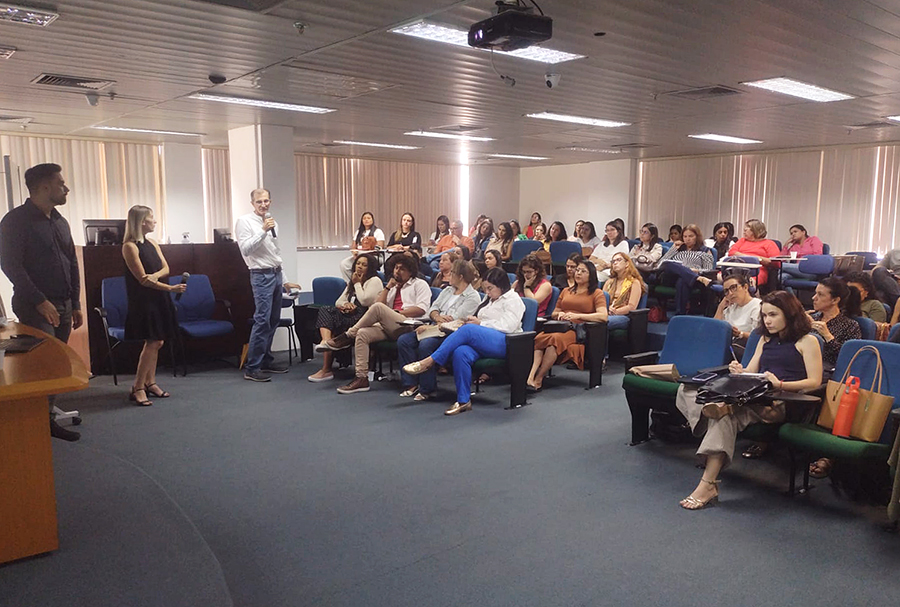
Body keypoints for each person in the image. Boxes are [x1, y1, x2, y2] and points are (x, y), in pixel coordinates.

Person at [675, 290, 823, 510]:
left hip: (781, 401)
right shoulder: (765, 338)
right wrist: (739, 370)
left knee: (724, 415)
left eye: (773, 315)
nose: (767, 320)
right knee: (686, 389)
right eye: (764, 315)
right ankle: (716, 413)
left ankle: (707, 484)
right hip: (753, 396)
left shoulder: (807, 341)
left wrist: (780, 384)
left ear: (789, 313)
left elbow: (814, 381)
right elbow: (751, 371)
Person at [0, 163, 82, 441]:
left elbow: (72, 263)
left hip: (64, 304)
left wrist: (76, 302)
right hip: (35, 307)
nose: (66, 188)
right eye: (61, 183)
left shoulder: (60, 221)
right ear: (44, 187)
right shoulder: (15, 221)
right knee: (41, 366)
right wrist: (40, 300)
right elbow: (11, 265)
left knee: (57, 364)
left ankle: (46, 419)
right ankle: (38, 422)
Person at [402, 267, 525, 416]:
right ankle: (463, 401)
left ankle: (429, 361)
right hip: (485, 340)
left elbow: (508, 326)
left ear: (502, 286)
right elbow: (481, 319)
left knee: (468, 330)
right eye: (485, 289)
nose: (487, 292)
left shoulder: (513, 300)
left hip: (507, 342)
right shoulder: (489, 299)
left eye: (490, 288)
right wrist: (473, 320)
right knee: (461, 352)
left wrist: (480, 323)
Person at [318, 255, 431, 394]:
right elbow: (380, 304)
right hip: (390, 326)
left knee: (377, 309)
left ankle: (348, 336)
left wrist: (397, 312)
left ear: (410, 271)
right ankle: (361, 378)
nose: (397, 271)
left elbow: (421, 309)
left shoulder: (419, 284)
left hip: (409, 325)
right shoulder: (393, 287)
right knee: (362, 333)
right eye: (396, 268)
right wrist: (388, 288)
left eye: (402, 269)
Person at [121, 205, 183, 406]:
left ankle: (150, 382)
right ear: (141, 222)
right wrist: (170, 288)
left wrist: (155, 276)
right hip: (144, 300)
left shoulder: (152, 243)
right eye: (151, 218)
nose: (154, 221)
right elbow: (142, 280)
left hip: (159, 297)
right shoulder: (129, 247)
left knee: (158, 342)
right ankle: (138, 387)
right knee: (153, 342)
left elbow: (166, 268)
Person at [397, 259, 482, 401]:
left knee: (426, 344)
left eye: (452, 273)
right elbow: (433, 308)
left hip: (451, 333)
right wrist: (437, 317)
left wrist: (433, 324)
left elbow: (454, 320)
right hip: (434, 326)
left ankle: (427, 389)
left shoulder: (472, 297)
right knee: (404, 341)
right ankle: (411, 383)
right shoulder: (448, 290)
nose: (449, 276)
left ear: (460, 276)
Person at [235, 188, 292, 382]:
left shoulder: (273, 222)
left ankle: (266, 360)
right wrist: (263, 230)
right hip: (260, 275)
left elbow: (275, 252)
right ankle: (252, 367)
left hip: (275, 273)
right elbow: (246, 249)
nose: (263, 205)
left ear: (270, 202)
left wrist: (285, 280)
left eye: (266, 201)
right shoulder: (244, 221)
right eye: (259, 201)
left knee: (273, 319)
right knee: (262, 320)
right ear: (252, 203)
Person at [528, 259, 607, 390]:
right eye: (577, 270)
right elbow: (554, 312)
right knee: (539, 338)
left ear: (591, 275)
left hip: (578, 329)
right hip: (561, 325)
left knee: (555, 340)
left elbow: (603, 316)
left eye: (583, 271)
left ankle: (539, 378)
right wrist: (559, 314)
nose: (578, 273)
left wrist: (578, 316)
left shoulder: (596, 293)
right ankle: (530, 377)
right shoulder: (566, 291)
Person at [308, 254, 382, 382]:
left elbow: (365, 301)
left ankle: (326, 367)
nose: (360, 267)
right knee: (326, 309)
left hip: (364, 318)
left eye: (364, 265)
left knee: (332, 325)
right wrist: (346, 305)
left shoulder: (374, 281)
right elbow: (338, 302)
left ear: (370, 268)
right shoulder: (353, 281)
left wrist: (357, 284)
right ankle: (326, 342)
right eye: (358, 263)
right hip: (350, 315)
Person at [657, 224, 715, 316]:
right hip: (672, 278)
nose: (687, 239)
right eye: (685, 236)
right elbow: (661, 263)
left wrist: (697, 271)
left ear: (697, 237)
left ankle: (680, 314)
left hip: (690, 281)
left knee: (682, 280)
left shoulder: (704, 250)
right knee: (669, 264)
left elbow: (708, 270)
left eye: (691, 236)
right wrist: (673, 249)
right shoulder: (677, 248)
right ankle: (695, 277)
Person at [809, 276, 862, 368]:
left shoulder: (850, 325)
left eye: (820, 295)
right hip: (803, 362)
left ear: (835, 300)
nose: (814, 298)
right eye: (815, 293)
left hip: (828, 368)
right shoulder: (811, 318)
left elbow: (850, 356)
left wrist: (828, 336)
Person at [713, 273, 761, 359]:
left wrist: (740, 334)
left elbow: (758, 337)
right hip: (728, 343)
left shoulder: (757, 306)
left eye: (733, 288)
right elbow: (715, 329)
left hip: (745, 346)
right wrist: (720, 307)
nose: (730, 293)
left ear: (745, 287)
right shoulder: (731, 306)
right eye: (726, 291)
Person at [728, 219, 780, 290]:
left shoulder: (769, 243)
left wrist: (753, 259)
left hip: (757, 271)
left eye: (748, 227)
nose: (745, 229)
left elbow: (776, 262)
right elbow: (731, 252)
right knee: (719, 277)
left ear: (756, 230)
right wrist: (752, 258)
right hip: (737, 268)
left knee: (746, 283)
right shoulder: (742, 241)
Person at [604, 253, 646, 333]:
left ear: (627, 264)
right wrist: (607, 309)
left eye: (618, 260)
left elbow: (631, 307)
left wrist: (615, 311)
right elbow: (602, 301)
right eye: (613, 261)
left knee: (602, 321)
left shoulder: (634, 282)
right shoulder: (608, 282)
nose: (615, 263)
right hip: (607, 312)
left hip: (623, 315)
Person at [340, 211, 385, 281]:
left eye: (368, 218)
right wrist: (354, 253)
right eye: (364, 218)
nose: (366, 220)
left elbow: (380, 247)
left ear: (372, 220)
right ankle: (351, 282)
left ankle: (363, 282)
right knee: (344, 264)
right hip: (359, 256)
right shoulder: (358, 232)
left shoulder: (378, 231)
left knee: (363, 265)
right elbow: (353, 247)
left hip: (373, 256)